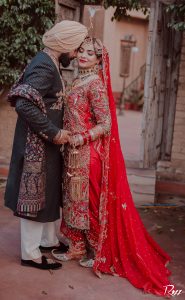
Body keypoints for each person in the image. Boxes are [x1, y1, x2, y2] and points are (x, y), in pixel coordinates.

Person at [51, 36, 172, 296]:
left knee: (90, 202)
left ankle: (97, 249)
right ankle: (77, 246)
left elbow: (105, 124)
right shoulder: (78, 79)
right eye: (81, 51)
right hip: (70, 152)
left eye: (90, 53)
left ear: (99, 60)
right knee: (72, 200)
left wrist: (81, 137)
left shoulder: (95, 84)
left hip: (87, 154)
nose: (83, 55)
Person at [4, 20, 88, 270]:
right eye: (76, 49)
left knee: (48, 191)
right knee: (34, 195)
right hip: (37, 144)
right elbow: (24, 104)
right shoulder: (44, 65)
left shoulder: (49, 61)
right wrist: (53, 132)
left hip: (45, 144)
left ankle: (46, 241)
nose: (76, 54)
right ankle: (30, 254)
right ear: (66, 45)